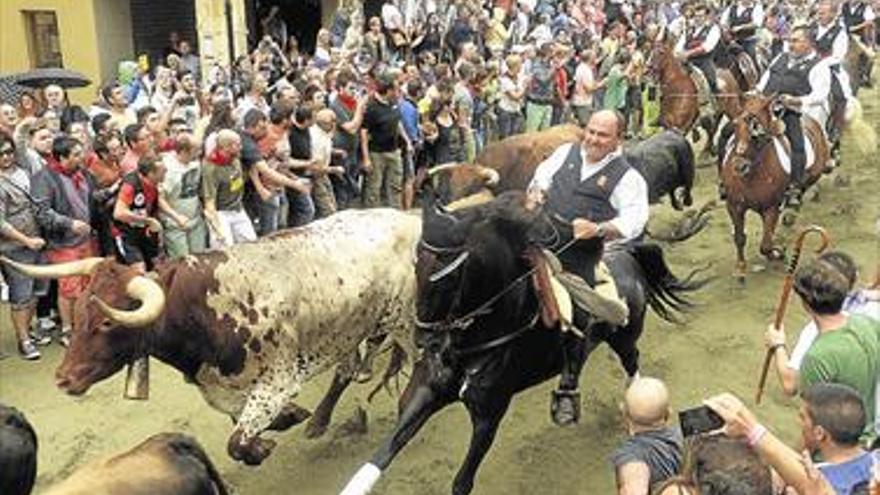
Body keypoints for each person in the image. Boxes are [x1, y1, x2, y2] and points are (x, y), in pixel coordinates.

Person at [527, 109, 649, 426]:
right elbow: (541, 175)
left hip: (579, 257)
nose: (592, 139)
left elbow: (635, 220)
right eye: (591, 131)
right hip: (540, 240)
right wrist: (536, 191)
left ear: (618, 139)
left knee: (580, 313)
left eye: (602, 135)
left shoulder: (627, 177)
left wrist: (599, 229)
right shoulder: (567, 152)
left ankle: (568, 385)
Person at [786, 257, 879, 443]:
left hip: (837, 448)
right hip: (871, 435)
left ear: (806, 304)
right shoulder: (868, 324)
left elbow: (813, 426)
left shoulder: (816, 357)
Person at [766, 250, 879, 399]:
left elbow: (790, 384)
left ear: (806, 304)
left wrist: (778, 345)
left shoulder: (814, 337)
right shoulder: (870, 320)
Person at [756, 25, 831, 207]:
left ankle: (795, 186)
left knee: (797, 143)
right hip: (766, 107)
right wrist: (756, 93)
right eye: (790, 40)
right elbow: (764, 80)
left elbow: (820, 94)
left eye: (795, 41)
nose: (790, 44)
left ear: (809, 43)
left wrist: (795, 101)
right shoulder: (780, 58)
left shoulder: (819, 66)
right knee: (731, 131)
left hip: (792, 110)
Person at [31, 136, 95, 347]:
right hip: (62, 244)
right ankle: (68, 330)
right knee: (68, 289)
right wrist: (69, 224)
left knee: (85, 286)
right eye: (76, 154)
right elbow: (41, 212)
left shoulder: (83, 173)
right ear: (62, 157)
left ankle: (81, 326)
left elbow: (91, 200)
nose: (82, 157)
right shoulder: (44, 178)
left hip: (85, 241)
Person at [0, 134, 47, 360]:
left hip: (37, 238)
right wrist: (26, 240)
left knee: (37, 290)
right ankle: (23, 341)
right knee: (21, 295)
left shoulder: (23, 171)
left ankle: (28, 329)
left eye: (9, 152)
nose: (6, 157)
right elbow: (1, 223)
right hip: (15, 246)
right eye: (1, 154)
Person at [802, 383, 879, 493]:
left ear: (819, 433)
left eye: (802, 418)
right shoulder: (876, 461)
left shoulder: (818, 483)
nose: (799, 423)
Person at [611, 377, 683, 494]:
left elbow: (634, 484)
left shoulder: (631, 453)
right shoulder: (686, 436)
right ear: (669, 413)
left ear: (624, 414)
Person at [112, 156, 170, 272]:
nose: (166, 172)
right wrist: (147, 221)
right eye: (162, 171)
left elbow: (157, 200)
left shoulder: (154, 183)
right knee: (139, 270)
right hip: (126, 233)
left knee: (160, 266)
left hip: (145, 231)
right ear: (150, 174)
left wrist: (176, 217)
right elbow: (118, 213)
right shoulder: (130, 185)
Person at [360, 73, 410, 209]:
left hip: (394, 151)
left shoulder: (394, 103)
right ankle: (373, 217)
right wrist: (366, 158)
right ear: (388, 91)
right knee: (374, 189)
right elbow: (364, 133)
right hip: (376, 154)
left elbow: (397, 122)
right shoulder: (371, 107)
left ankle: (396, 214)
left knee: (395, 186)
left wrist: (407, 141)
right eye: (396, 89)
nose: (398, 92)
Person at [159, 132, 206, 258]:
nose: (200, 152)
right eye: (196, 150)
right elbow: (160, 198)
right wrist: (176, 217)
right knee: (183, 262)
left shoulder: (196, 163)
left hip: (195, 221)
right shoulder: (168, 169)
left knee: (200, 259)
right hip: (175, 224)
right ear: (184, 151)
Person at [674, 3, 721, 94]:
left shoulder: (713, 29)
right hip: (686, 61)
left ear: (706, 17)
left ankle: (714, 103)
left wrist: (688, 53)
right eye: (696, 16)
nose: (697, 18)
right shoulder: (689, 29)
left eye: (700, 16)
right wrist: (678, 53)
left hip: (703, 61)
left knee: (711, 81)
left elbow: (707, 47)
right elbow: (680, 44)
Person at [720, 0, 764, 66]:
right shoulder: (732, 7)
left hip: (748, 40)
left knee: (751, 55)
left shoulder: (756, 7)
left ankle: (758, 74)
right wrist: (725, 29)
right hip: (732, 40)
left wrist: (740, 27)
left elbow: (757, 23)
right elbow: (723, 22)